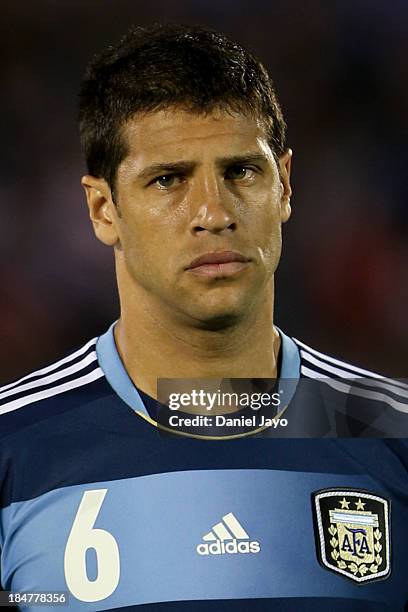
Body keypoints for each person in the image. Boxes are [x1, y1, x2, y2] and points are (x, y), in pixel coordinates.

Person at [0, 24, 407, 611]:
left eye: (241, 172)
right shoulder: (16, 448)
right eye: (168, 180)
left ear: (285, 186)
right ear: (102, 208)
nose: (214, 213)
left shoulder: (387, 430)